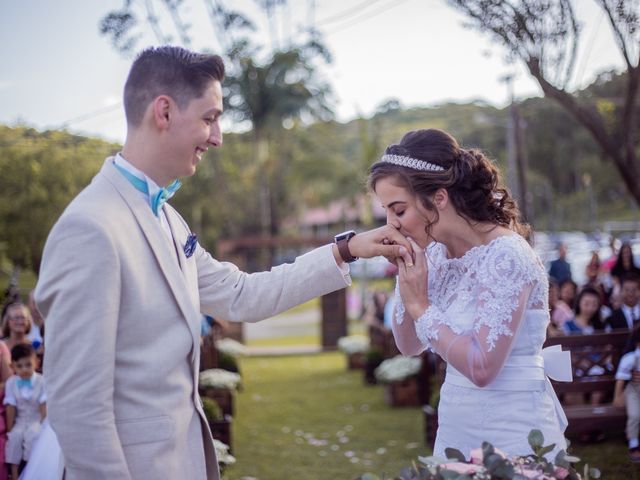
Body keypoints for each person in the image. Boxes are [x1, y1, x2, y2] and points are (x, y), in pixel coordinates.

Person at [34, 45, 409, 480]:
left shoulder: (168, 217)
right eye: (210, 117)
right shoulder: (91, 228)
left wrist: (345, 250)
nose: (218, 136)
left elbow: (242, 294)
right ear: (164, 112)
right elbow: (78, 408)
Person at [369, 128, 570, 459]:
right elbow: (408, 345)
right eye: (387, 212)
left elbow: (481, 368)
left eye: (399, 210)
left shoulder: (506, 256)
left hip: (514, 430)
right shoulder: (434, 254)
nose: (392, 224)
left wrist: (421, 306)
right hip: (455, 426)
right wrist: (408, 278)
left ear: (438, 197)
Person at [4, 344, 46, 480]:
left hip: (36, 418)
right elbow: (11, 406)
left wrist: (43, 425)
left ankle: (30, 473)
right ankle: (15, 474)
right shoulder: (11, 382)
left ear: (36, 362)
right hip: (21, 420)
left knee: (33, 436)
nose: (24, 369)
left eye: (28, 365)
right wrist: (10, 429)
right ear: (13, 367)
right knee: (14, 437)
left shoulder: (42, 381)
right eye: (19, 366)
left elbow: (43, 406)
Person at [613, 326, 640, 462]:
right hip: (634, 390)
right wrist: (617, 397)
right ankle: (633, 443)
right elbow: (621, 378)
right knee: (635, 415)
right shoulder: (631, 357)